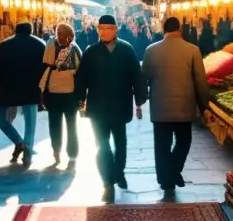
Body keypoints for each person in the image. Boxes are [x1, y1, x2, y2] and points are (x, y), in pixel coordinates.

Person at [75, 14, 148, 202]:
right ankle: (107, 181)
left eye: (109, 28)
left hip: (120, 104)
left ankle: (119, 172)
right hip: (98, 106)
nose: (105, 32)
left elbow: (136, 75)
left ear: (115, 29)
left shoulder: (126, 49)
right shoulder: (91, 52)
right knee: (102, 145)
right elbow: (82, 77)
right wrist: (80, 99)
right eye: (102, 28)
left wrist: (140, 98)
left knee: (121, 143)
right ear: (98, 30)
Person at [142, 16, 211, 197]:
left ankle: (166, 180)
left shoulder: (151, 50)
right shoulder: (193, 50)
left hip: (160, 108)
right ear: (180, 29)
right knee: (183, 142)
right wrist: (205, 106)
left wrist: (139, 101)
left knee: (161, 145)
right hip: (184, 107)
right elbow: (200, 81)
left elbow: (145, 77)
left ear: (164, 30)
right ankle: (173, 171)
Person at [0, 21, 46, 166]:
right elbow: (45, 70)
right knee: (30, 123)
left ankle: (18, 141)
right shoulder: (40, 44)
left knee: (2, 121)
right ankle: (27, 151)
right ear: (30, 31)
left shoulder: (5, 45)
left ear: (16, 31)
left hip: (8, 89)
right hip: (31, 89)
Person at [40, 22, 82, 169]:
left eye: (62, 35)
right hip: (54, 92)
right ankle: (56, 150)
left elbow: (80, 72)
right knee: (55, 124)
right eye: (58, 35)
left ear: (69, 36)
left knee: (70, 125)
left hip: (69, 93)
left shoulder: (74, 49)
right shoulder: (51, 46)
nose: (59, 38)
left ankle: (71, 154)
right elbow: (45, 66)